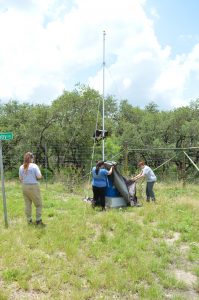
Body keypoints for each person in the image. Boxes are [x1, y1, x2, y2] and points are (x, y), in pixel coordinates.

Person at [19, 152, 45, 226]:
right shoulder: (34, 166)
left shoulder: (21, 167)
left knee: (28, 204)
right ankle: (38, 220)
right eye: (33, 158)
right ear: (31, 158)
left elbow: (20, 179)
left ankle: (29, 220)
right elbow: (39, 176)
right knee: (38, 204)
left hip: (24, 186)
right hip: (33, 186)